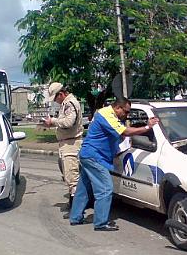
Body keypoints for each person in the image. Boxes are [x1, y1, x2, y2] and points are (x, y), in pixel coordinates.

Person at [69, 97, 159, 231]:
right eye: (126, 112)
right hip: (95, 157)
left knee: (84, 189)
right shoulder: (107, 115)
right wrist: (147, 127)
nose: (127, 115)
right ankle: (100, 223)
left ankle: (75, 217)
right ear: (117, 108)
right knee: (105, 188)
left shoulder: (107, 114)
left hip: (88, 155)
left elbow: (120, 133)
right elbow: (125, 132)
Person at [43, 82, 83, 218]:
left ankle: (76, 209)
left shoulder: (70, 103)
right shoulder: (67, 103)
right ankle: (73, 205)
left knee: (73, 177)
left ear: (61, 94)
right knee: (69, 176)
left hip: (71, 144)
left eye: (55, 98)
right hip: (66, 143)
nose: (55, 101)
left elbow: (68, 123)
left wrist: (53, 121)